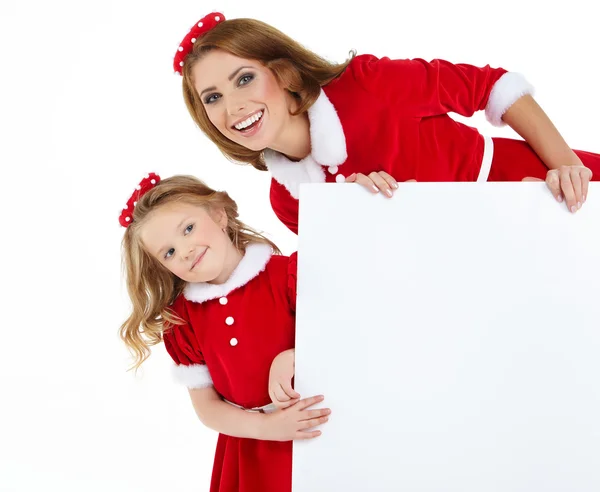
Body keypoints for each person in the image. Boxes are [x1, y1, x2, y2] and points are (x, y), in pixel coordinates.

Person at [172, 12, 600, 234]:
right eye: (213, 98)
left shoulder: (367, 85)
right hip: (483, 271)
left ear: (284, 74)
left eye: (244, 79)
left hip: (548, 192)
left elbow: (491, 87)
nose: (233, 107)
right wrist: (368, 221)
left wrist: (565, 165)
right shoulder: (289, 201)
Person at [118, 173, 330, 492]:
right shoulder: (182, 322)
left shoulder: (287, 276)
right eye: (169, 252)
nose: (186, 250)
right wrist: (267, 427)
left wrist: (296, 357)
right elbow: (207, 408)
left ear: (219, 214)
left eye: (188, 229)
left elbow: (346, 340)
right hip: (250, 448)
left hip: (318, 430)